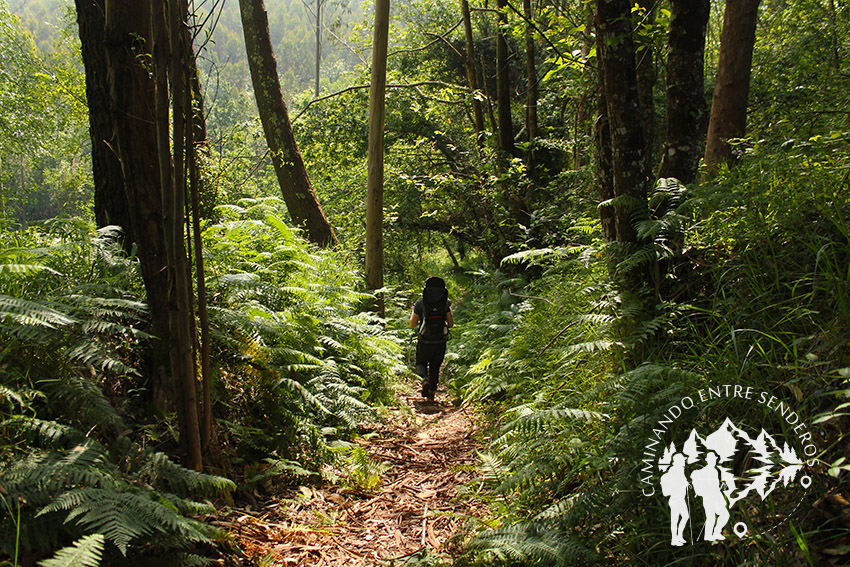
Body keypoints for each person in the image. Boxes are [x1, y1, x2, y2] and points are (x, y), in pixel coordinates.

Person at [410, 276, 454, 400]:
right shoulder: (445, 303)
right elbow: (450, 323)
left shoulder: (420, 302)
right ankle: (432, 391)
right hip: (440, 340)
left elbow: (413, 323)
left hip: (424, 339)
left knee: (420, 362)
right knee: (435, 365)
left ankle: (424, 380)